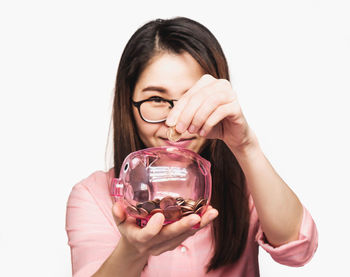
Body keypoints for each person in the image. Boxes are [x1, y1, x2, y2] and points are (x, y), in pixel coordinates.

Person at [65, 17, 318, 277]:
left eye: (192, 98)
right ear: (128, 104)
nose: (177, 121)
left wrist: (245, 145)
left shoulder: (246, 184)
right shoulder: (93, 195)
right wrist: (133, 250)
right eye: (156, 99)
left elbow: (298, 249)